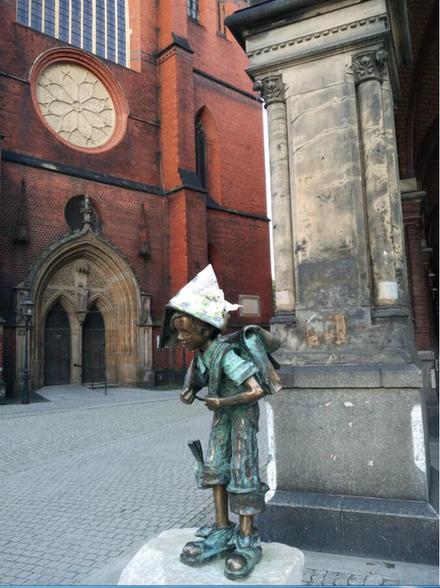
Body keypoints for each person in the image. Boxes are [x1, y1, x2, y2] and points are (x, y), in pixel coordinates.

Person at [160, 265, 280, 580]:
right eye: (179, 332)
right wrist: (189, 391)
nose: (181, 338)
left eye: (185, 332)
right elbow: (197, 380)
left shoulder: (226, 355)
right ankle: (222, 529)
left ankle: (247, 539)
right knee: (215, 468)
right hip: (222, 418)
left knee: (242, 471)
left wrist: (222, 402)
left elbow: (256, 390)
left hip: (240, 418)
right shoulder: (201, 354)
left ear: (205, 329)